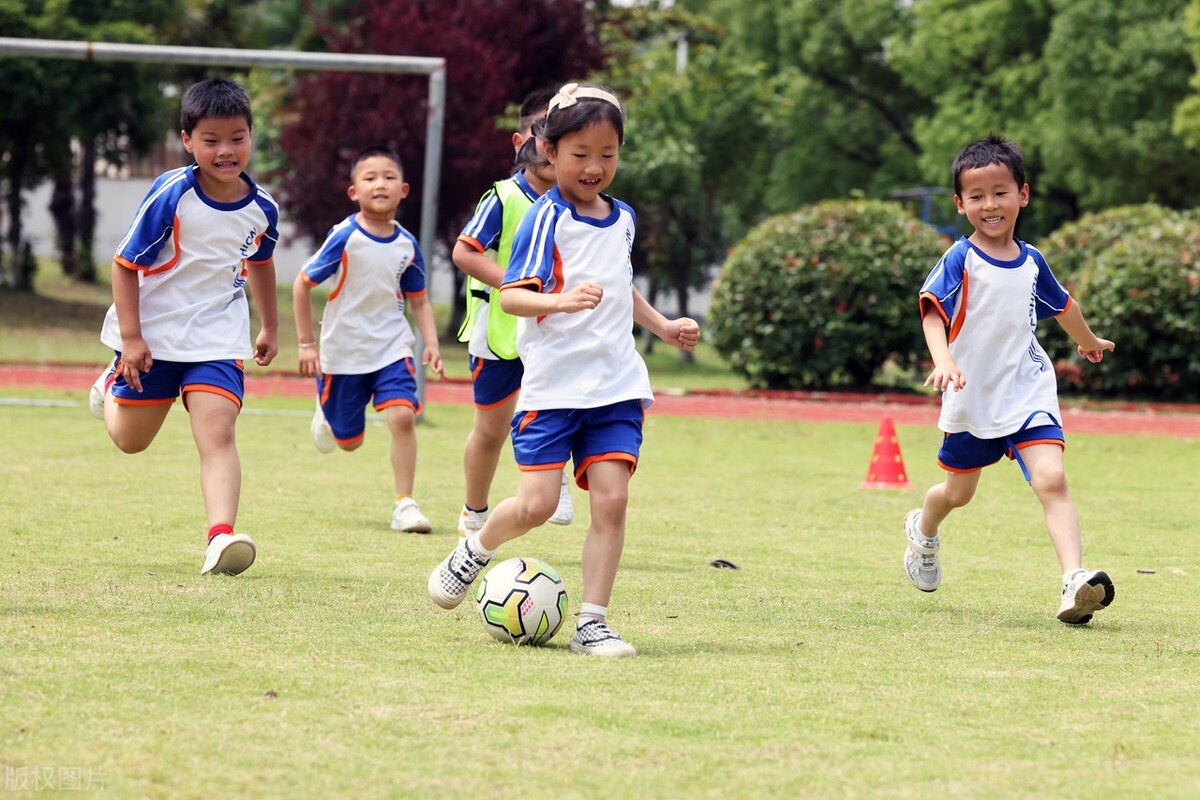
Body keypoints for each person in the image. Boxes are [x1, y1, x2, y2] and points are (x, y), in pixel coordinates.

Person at [428, 83, 701, 657]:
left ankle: (592, 623)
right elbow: (512, 297)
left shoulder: (623, 218)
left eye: (608, 154)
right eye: (581, 154)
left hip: (616, 385)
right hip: (553, 388)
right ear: (550, 152)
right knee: (538, 506)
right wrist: (560, 301)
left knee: (613, 500)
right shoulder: (544, 218)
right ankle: (475, 550)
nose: (595, 167)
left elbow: (621, 287)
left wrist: (663, 326)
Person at [905, 134, 1116, 624]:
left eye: (1000, 192)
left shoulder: (1033, 261)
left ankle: (1074, 581)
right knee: (957, 494)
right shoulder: (961, 258)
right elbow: (932, 313)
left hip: (1027, 388)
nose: (990, 204)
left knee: (1052, 478)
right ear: (960, 204)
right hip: (972, 396)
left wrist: (1087, 340)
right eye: (976, 196)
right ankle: (923, 529)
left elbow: (1064, 306)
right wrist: (943, 360)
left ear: (1022, 194)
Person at [88, 77, 279, 576]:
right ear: (188, 141)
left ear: (251, 136)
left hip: (217, 335)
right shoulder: (172, 195)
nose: (226, 150)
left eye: (237, 138)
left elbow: (261, 262)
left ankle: (221, 537)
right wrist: (131, 339)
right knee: (131, 440)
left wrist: (269, 326)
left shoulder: (263, 208)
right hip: (153, 336)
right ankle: (110, 380)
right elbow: (124, 265)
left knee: (218, 431)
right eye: (211, 140)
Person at [292, 145, 446, 533]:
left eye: (389, 177)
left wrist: (430, 342)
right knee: (349, 443)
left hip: (391, 346)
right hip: (344, 351)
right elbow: (302, 284)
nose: (380, 184)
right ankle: (328, 411)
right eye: (370, 177)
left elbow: (419, 299)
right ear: (354, 191)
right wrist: (307, 345)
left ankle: (405, 504)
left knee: (403, 416)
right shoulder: (345, 237)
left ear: (404, 190)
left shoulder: (407, 245)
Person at [452, 88, 574, 538]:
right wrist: (518, 284)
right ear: (521, 141)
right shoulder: (504, 198)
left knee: (565, 407)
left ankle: (557, 479)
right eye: (544, 134)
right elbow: (464, 253)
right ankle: (474, 511)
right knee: (491, 430)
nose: (551, 146)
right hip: (500, 334)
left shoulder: (578, 203)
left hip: (554, 331)